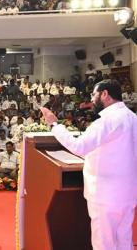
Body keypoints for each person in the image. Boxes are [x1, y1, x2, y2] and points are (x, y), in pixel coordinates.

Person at [40, 79, 137, 250]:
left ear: (105, 94)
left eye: (94, 94)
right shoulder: (133, 118)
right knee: (124, 239)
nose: (92, 99)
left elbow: (79, 146)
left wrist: (54, 125)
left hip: (106, 193)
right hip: (128, 192)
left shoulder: (107, 121)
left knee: (104, 243)